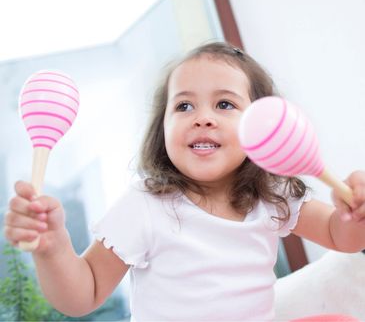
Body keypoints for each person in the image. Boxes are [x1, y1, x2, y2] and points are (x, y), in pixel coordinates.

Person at [3, 42, 365, 321]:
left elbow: (340, 237)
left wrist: (353, 216)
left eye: (224, 105)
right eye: (184, 106)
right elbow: (84, 294)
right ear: (162, 130)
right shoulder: (146, 205)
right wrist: (53, 250)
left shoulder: (271, 195)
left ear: (261, 126)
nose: (202, 118)